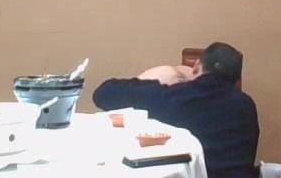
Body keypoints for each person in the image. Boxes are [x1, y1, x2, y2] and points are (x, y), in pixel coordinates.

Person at [93, 42, 260, 178]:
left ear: (196, 66)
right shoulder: (247, 106)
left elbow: (103, 94)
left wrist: (156, 78)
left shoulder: (173, 98)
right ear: (236, 78)